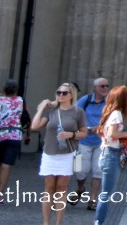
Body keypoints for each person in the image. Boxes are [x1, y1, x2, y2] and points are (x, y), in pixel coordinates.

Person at [31, 81, 88, 225]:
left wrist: (71, 134)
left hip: (67, 154)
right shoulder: (52, 111)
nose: (61, 95)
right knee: (49, 188)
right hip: (50, 153)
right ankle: (46, 222)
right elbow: (35, 126)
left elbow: (83, 133)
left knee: (62, 188)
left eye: (64, 93)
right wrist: (42, 107)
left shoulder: (78, 112)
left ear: (71, 95)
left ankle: (58, 222)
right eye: (58, 93)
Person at [94, 86, 127, 225]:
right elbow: (113, 134)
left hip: (106, 153)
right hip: (111, 154)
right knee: (105, 195)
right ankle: (99, 223)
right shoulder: (116, 114)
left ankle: (99, 222)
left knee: (105, 193)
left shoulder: (110, 112)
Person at [74, 77, 110, 207]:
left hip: (101, 142)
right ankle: (80, 188)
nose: (105, 88)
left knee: (98, 170)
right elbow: (74, 114)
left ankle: (93, 199)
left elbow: (112, 120)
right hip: (84, 140)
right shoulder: (86, 100)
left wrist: (99, 128)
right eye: (102, 86)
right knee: (80, 170)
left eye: (106, 86)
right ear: (95, 88)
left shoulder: (109, 102)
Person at [0, 80, 26, 204]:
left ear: (4, 89)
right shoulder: (21, 100)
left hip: (0, 134)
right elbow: (26, 116)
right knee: (6, 165)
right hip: (15, 135)